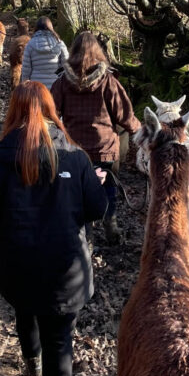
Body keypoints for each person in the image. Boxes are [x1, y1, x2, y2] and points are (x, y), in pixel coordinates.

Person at [0, 81, 108, 376]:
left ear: (14, 111)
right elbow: (97, 209)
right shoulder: (76, 156)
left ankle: (31, 363)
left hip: (17, 265)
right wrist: (94, 183)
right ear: (51, 109)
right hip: (67, 269)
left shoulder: (2, 155)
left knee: (25, 307)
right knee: (60, 336)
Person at [51, 31, 140, 245]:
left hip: (74, 152)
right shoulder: (108, 81)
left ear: (73, 52)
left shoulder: (62, 81)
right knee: (107, 185)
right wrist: (142, 132)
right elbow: (124, 116)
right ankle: (111, 226)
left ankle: (86, 235)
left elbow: (50, 113)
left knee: (79, 190)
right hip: (104, 149)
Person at [19, 16, 69, 90]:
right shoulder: (59, 43)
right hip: (55, 88)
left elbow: (26, 70)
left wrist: (24, 88)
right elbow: (66, 66)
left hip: (35, 88)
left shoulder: (29, 45)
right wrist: (56, 74)